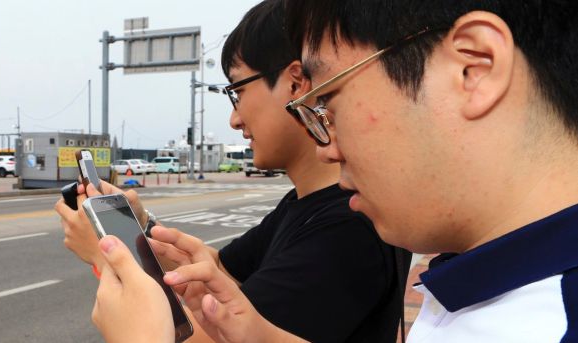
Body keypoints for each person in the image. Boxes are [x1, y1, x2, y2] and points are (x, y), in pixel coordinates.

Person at [87, 0, 578, 342]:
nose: (326, 147)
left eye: (326, 102)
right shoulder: (492, 285)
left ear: (475, 68)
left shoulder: (552, 320)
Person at [56, 1, 410, 342]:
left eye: (237, 91)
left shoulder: (345, 227)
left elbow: (197, 336)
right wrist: (140, 228)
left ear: (296, 84)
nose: (235, 118)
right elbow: (222, 271)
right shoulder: (303, 204)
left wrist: (107, 252)